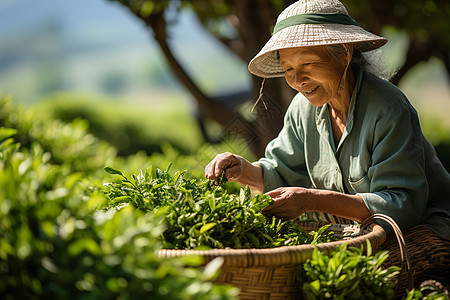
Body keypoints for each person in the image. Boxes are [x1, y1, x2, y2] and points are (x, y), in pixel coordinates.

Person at [204, 0, 450, 291]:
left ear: (344, 54)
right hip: (360, 233)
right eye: (288, 69)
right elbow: (280, 170)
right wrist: (240, 169)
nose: (297, 80)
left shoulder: (387, 107)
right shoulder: (303, 109)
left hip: (422, 230)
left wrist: (310, 200)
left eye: (308, 64)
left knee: (344, 285)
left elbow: (401, 206)